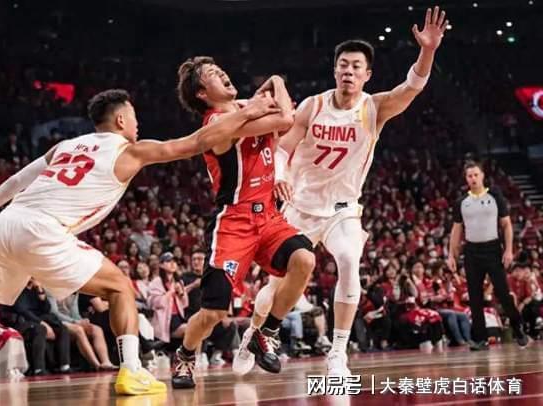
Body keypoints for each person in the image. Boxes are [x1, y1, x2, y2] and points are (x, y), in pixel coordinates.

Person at [0, 88, 279, 395]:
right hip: (43, 228)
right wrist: (248, 112)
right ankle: (131, 371)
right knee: (120, 287)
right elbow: (196, 142)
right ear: (121, 121)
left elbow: (18, 179)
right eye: (134, 116)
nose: (138, 122)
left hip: (7, 223)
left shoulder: (66, 146)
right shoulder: (130, 150)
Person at [234, 6, 450, 377]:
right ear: (335, 71)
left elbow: (412, 86)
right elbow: (283, 148)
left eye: (356, 66)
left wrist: (427, 50)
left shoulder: (375, 107)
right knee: (274, 287)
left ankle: (338, 352)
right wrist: (280, 173)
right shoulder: (313, 105)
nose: (348, 71)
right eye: (343, 65)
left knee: (350, 260)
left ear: (367, 75)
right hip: (300, 206)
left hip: (342, 209)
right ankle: (253, 335)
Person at [172, 57, 316, 389]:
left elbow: (283, 122)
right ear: (202, 93)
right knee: (213, 313)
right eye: (212, 75)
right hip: (234, 221)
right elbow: (286, 117)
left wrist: (266, 92)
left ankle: (267, 332)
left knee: (304, 259)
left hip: (268, 215)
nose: (223, 73)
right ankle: (185, 354)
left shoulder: (244, 108)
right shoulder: (218, 122)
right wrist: (276, 79)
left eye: (221, 69)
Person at [447, 160, 529, 350]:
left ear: (482, 175)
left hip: (493, 249)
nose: (473, 178)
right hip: (471, 251)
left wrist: (508, 250)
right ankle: (480, 339)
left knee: (503, 293)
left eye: (476, 174)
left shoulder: (495, 196)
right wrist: (451, 255)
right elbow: (456, 230)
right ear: (466, 178)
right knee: (475, 297)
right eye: (469, 176)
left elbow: (506, 225)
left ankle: (518, 327)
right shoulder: (461, 202)